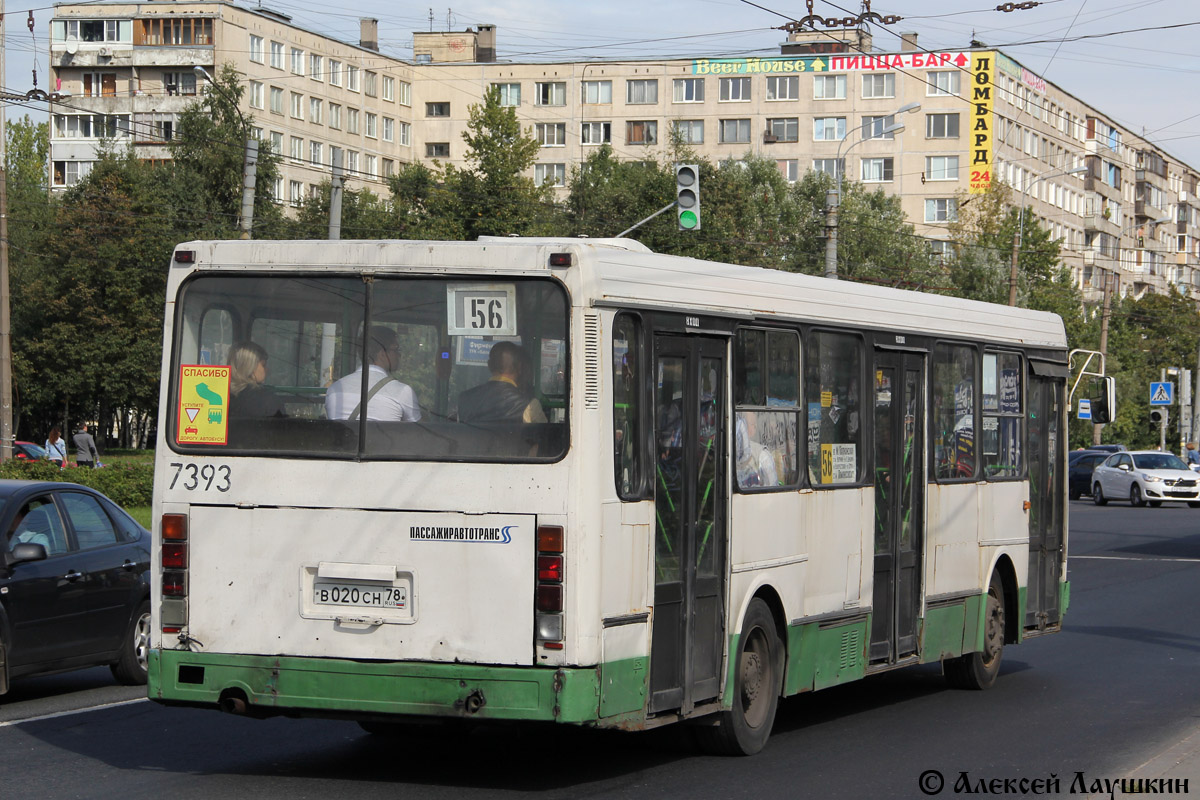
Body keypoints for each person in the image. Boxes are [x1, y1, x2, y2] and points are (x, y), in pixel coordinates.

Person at [325, 326, 421, 422]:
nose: (399, 355)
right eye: (396, 349)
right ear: (382, 353)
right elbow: (419, 432)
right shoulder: (402, 392)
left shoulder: (334, 390)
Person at [456, 341, 546, 424]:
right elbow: (543, 437)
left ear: (489, 365)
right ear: (519, 367)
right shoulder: (529, 405)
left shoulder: (464, 399)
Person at [228, 341, 287, 418]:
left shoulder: (222, 396)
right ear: (250, 367)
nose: (267, 369)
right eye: (263, 365)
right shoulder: (268, 400)